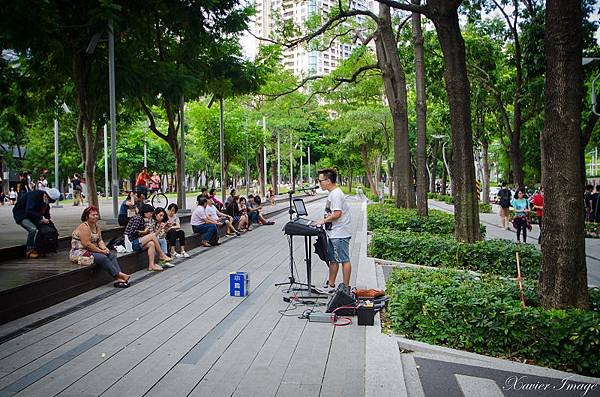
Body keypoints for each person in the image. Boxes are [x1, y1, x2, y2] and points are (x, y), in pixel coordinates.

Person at [70, 206, 131, 287]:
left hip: (92, 250)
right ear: (86, 216)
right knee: (102, 257)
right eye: (93, 215)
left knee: (110, 255)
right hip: (80, 252)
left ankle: (119, 278)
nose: (96, 216)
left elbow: (100, 240)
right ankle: (119, 275)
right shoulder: (84, 227)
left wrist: (105, 249)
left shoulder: (96, 226)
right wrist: (101, 251)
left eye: (96, 215)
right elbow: (87, 244)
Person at [315, 168, 353, 290]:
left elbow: (337, 214)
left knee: (344, 260)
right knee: (333, 260)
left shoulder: (336, 194)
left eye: (320, 181)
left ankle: (346, 288)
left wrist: (323, 221)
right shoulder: (332, 193)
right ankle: (331, 284)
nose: (319, 183)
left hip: (340, 233)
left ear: (328, 180)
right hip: (334, 232)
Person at [13, 188, 61, 258]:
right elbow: (29, 210)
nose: (49, 202)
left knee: (45, 228)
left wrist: (47, 219)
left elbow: (47, 212)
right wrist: (41, 218)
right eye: (49, 200)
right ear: (46, 195)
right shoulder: (34, 195)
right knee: (33, 229)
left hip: (34, 215)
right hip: (22, 214)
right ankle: (29, 250)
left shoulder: (46, 201)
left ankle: (41, 248)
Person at [123, 203, 172, 271]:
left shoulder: (142, 219)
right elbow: (131, 232)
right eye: (150, 213)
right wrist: (144, 232)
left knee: (151, 243)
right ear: (145, 212)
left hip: (136, 242)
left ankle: (151, 265)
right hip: (131, 242)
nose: (151, 215)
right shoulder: (138, 218)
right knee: (152, 236)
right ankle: (161, 255)